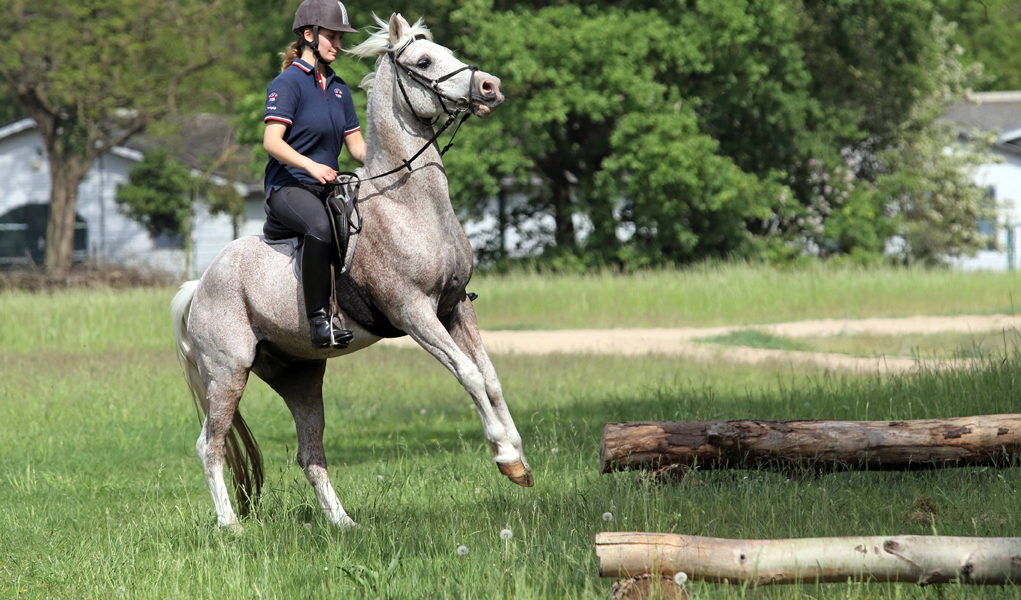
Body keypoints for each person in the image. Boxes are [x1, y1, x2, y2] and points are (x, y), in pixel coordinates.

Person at [262, 0, 366, 348]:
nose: (338, 44)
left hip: (327, 189)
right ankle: (319, 320)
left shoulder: (339, 88)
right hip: (289, 187)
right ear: (309, 35)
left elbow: (357, 148)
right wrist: (311, 165)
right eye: (332, 37)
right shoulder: (287, 83)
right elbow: (272, 142)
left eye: (340, 38)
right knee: (320, 227)